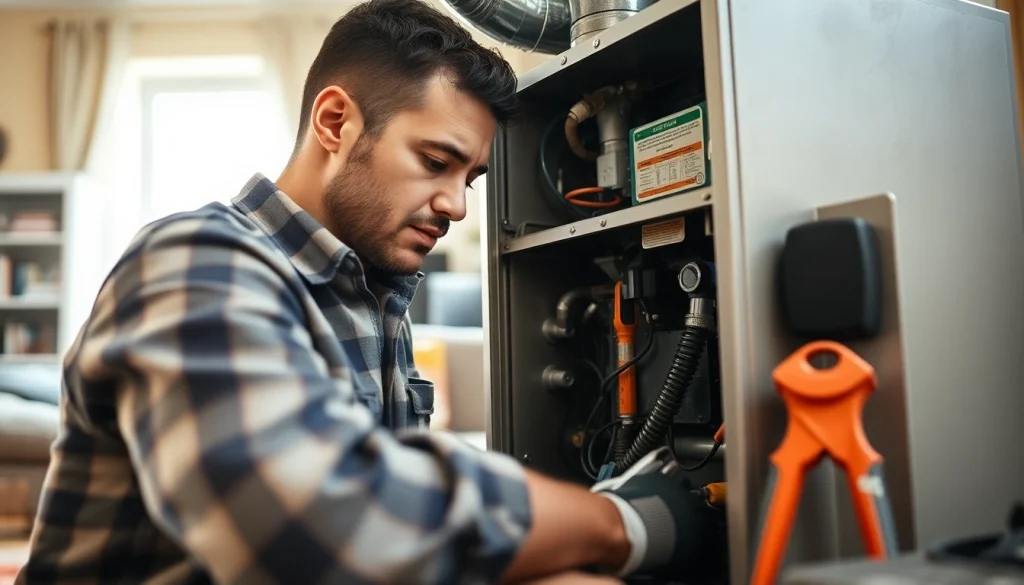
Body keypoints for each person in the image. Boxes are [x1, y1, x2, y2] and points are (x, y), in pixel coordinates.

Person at [17, 0, 712, 583]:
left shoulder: (376, 295)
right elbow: (313, 530)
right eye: (434, 161)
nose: (457, 206)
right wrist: (617, 523)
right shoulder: (196, 261)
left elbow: (400, 503)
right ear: (334, 123)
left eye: (468, 179)